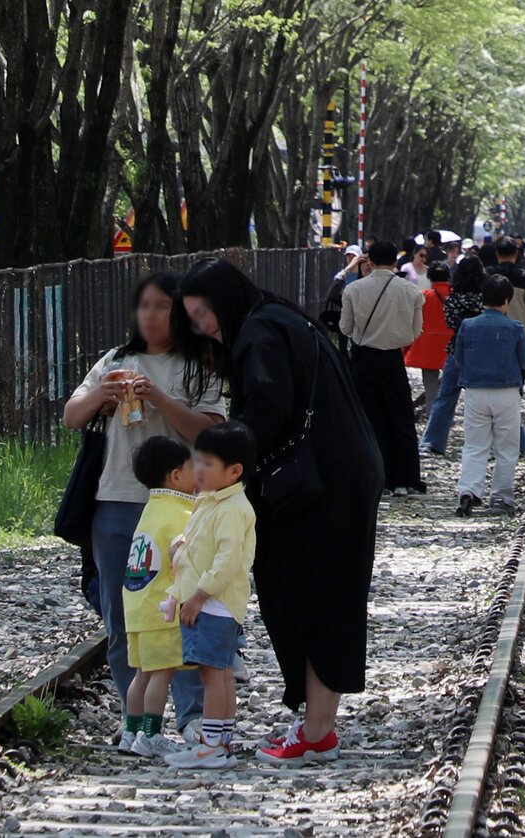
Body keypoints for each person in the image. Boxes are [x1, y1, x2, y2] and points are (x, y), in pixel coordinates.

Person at [176, 260, 382, 765]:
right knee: (328, 595)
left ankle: (316, 731)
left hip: (315, 485)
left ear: (224, 300)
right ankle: (318, 725)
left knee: (304, 597)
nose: (203, 327)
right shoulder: (281, 317)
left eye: (203, 314)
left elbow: (266, 410)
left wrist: (218, 462)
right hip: (338, 472)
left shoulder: (259, 334)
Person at [63, 271, 223, 735]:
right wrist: (101, 395)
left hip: (182, 504)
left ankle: (192, 716)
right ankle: (133, 716)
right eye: (144, 306)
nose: (150, 315)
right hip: (116, 499)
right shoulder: (115, 360)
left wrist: (161, 399)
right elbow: (71, 416)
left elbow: (210, 431)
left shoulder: (197, 365)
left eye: (162, 306)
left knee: (187, 608)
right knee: (123, 614)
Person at [166, 421, 258, 771]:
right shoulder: (212, 501)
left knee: (211, 674)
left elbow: (227, 561)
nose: (198, 469)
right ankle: (221, 741)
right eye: (197, 460)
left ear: (234, 471)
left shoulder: (232, 508)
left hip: (214, 604)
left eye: (208, 463)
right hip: (214, 603)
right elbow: (203, 543)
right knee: (220, 672)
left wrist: (198, 597)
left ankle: (211, 747)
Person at [120, 435, 197, 758]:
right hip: (161, 609)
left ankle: (131, 731)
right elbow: (183, 556)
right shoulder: (181, 513)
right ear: (176, 475)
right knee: (162, 674)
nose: (197, 473)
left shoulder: (150, 509)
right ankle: (151, 734)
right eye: (192, 467)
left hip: (137, 606)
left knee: (142, 673)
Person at [340, 238, 426, 495]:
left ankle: (373, 477)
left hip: (364, 360)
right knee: (401, 418)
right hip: (392, 360)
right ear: (395, 260)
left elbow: (345, 327)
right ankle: (405, 478)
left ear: (369, 260)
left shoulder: (354, 290)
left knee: (367, 418)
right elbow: (415, 333)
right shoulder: (411, 291)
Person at [455, 273, 525, 516]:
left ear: (483, 297)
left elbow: (458, 358)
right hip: (506, 392)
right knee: (506, 447)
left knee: (475, 445)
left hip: (475, 392)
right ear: (507, 300)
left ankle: (469, 490)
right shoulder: (515, 327)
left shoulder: (468, 325)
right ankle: (501, 496)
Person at [423, 255, 485, 454]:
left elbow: (450, 323)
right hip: (482, 350)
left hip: (457, 348)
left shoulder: (453, 298)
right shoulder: (484, 298)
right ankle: (513, 442)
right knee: (492, 396)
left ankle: (433, 441)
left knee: (446, 397)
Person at [405, 258, 453, 413]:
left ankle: (432, 412)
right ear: (448, 276)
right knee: (451, 381)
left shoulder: (424, 296)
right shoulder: (455, 297)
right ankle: (447, 412)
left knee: (430, 381)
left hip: (428, 345)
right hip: (450, 344)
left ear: (430, 277)